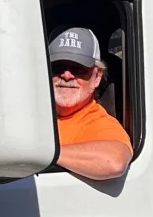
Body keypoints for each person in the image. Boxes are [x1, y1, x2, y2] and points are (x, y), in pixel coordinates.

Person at [46, 27, 131, 181]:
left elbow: (114, 161)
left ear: (97, 77)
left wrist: (42, 153)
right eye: (57, 67)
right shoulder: (31, 114)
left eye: (78, 69)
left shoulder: (98, 122)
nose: (66, 75)